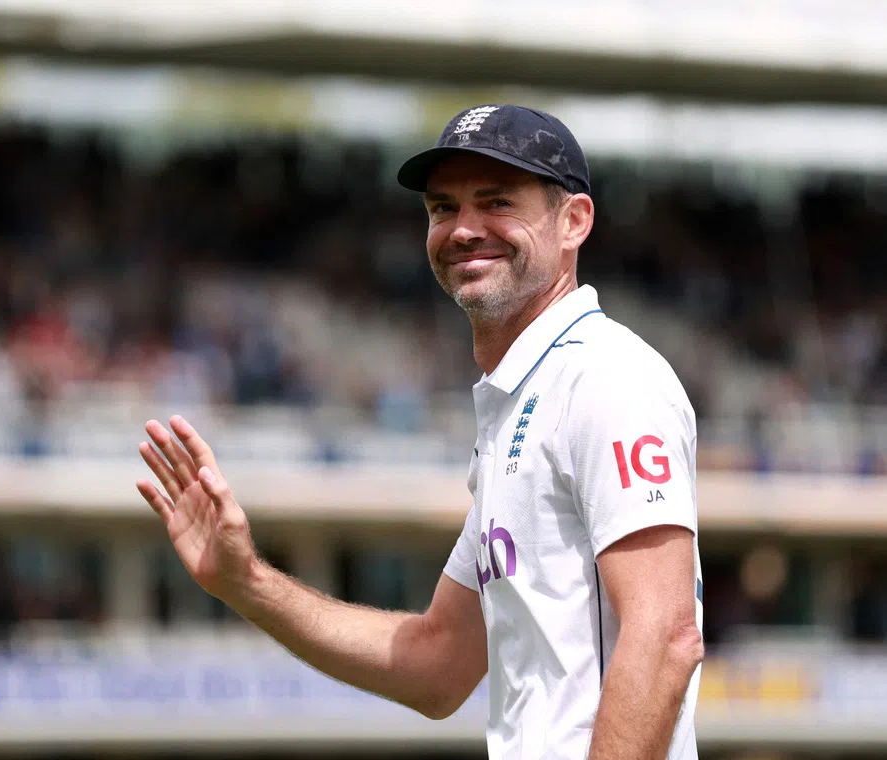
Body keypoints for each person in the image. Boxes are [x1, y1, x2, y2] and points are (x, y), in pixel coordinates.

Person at [136, 104, 704, 760]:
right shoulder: (522, 401)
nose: (464, 229)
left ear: (573, 221)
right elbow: (437, 665)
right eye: (443, 208)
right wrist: (247, 583)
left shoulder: (604, 375)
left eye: (496, 202)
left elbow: (666, 637)